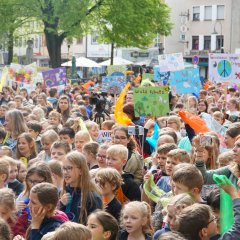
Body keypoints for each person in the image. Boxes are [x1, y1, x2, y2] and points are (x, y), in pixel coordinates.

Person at [60, 151, 102, 223]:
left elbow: (95, 226)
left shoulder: (92, 197)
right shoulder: (62, 192)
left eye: (69, 168)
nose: (65, 172)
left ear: (81, 170)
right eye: (63, 168)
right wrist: (61, 204)